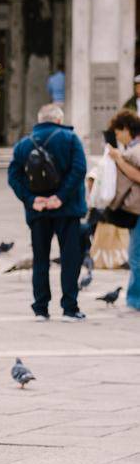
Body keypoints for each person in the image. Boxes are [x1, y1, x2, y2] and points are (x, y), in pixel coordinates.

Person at [8, 102, 88, 322]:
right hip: (67, 209)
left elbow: (13, 177)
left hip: (38, 210)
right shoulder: (70, 139)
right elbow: (80, 169)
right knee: (70, 259)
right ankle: (69, 308)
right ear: (59, 120)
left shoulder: (24, 144)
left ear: (40, 119)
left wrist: (32, 199)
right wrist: (60, 197)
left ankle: (40, 308)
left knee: (40, 258)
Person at [106, 110, 140, 311]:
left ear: (126, 130)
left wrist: (119, 159)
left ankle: (135, 300)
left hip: (138, 211)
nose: (117, 136)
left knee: (136, 256)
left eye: (118, 132)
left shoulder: (136, 150)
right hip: (135, 210)